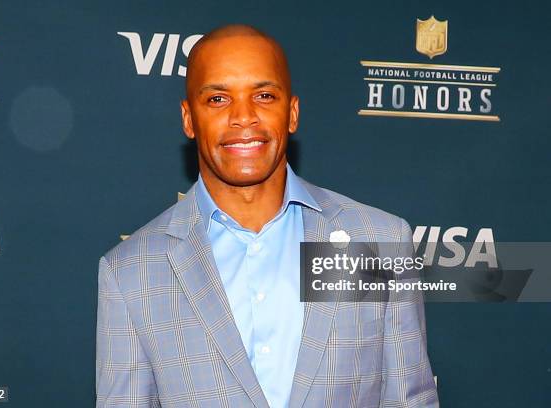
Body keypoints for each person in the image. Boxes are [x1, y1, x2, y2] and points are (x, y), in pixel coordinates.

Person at [96, 24, 439, 408]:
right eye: (218, 99)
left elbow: (411, 401)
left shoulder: (378, 241)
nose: (244, 117)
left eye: (263, 95)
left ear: (292, 113)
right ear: (188, 119)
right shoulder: (131, 272)